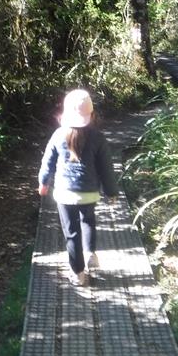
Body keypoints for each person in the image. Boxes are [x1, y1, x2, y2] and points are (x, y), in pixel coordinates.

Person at [38, 89, 118, 286]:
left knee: (71, 233)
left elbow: (47, 162)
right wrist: (111, 192)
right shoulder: (98, 137)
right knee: (88, 221)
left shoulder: (58, 135)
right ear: (91, 114)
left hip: (65, 193)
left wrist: (43, 182)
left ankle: (78, 273)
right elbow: (106, 167)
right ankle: (90, 253)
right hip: (89, 192)